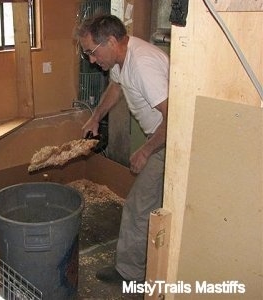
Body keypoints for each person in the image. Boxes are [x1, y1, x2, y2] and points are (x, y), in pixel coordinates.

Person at [75, 14, 169, 284]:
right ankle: (153, 260)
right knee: (154, 204)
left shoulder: (142, 65)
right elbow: (116, 88)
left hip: (171, 139)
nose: (92, 60)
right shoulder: (121, 59)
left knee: (138, 207)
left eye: (92, 52)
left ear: (112, 41)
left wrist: (146, 150)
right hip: (160, 137)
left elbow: (175, 116)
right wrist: (96, 116)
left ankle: (130, 273)